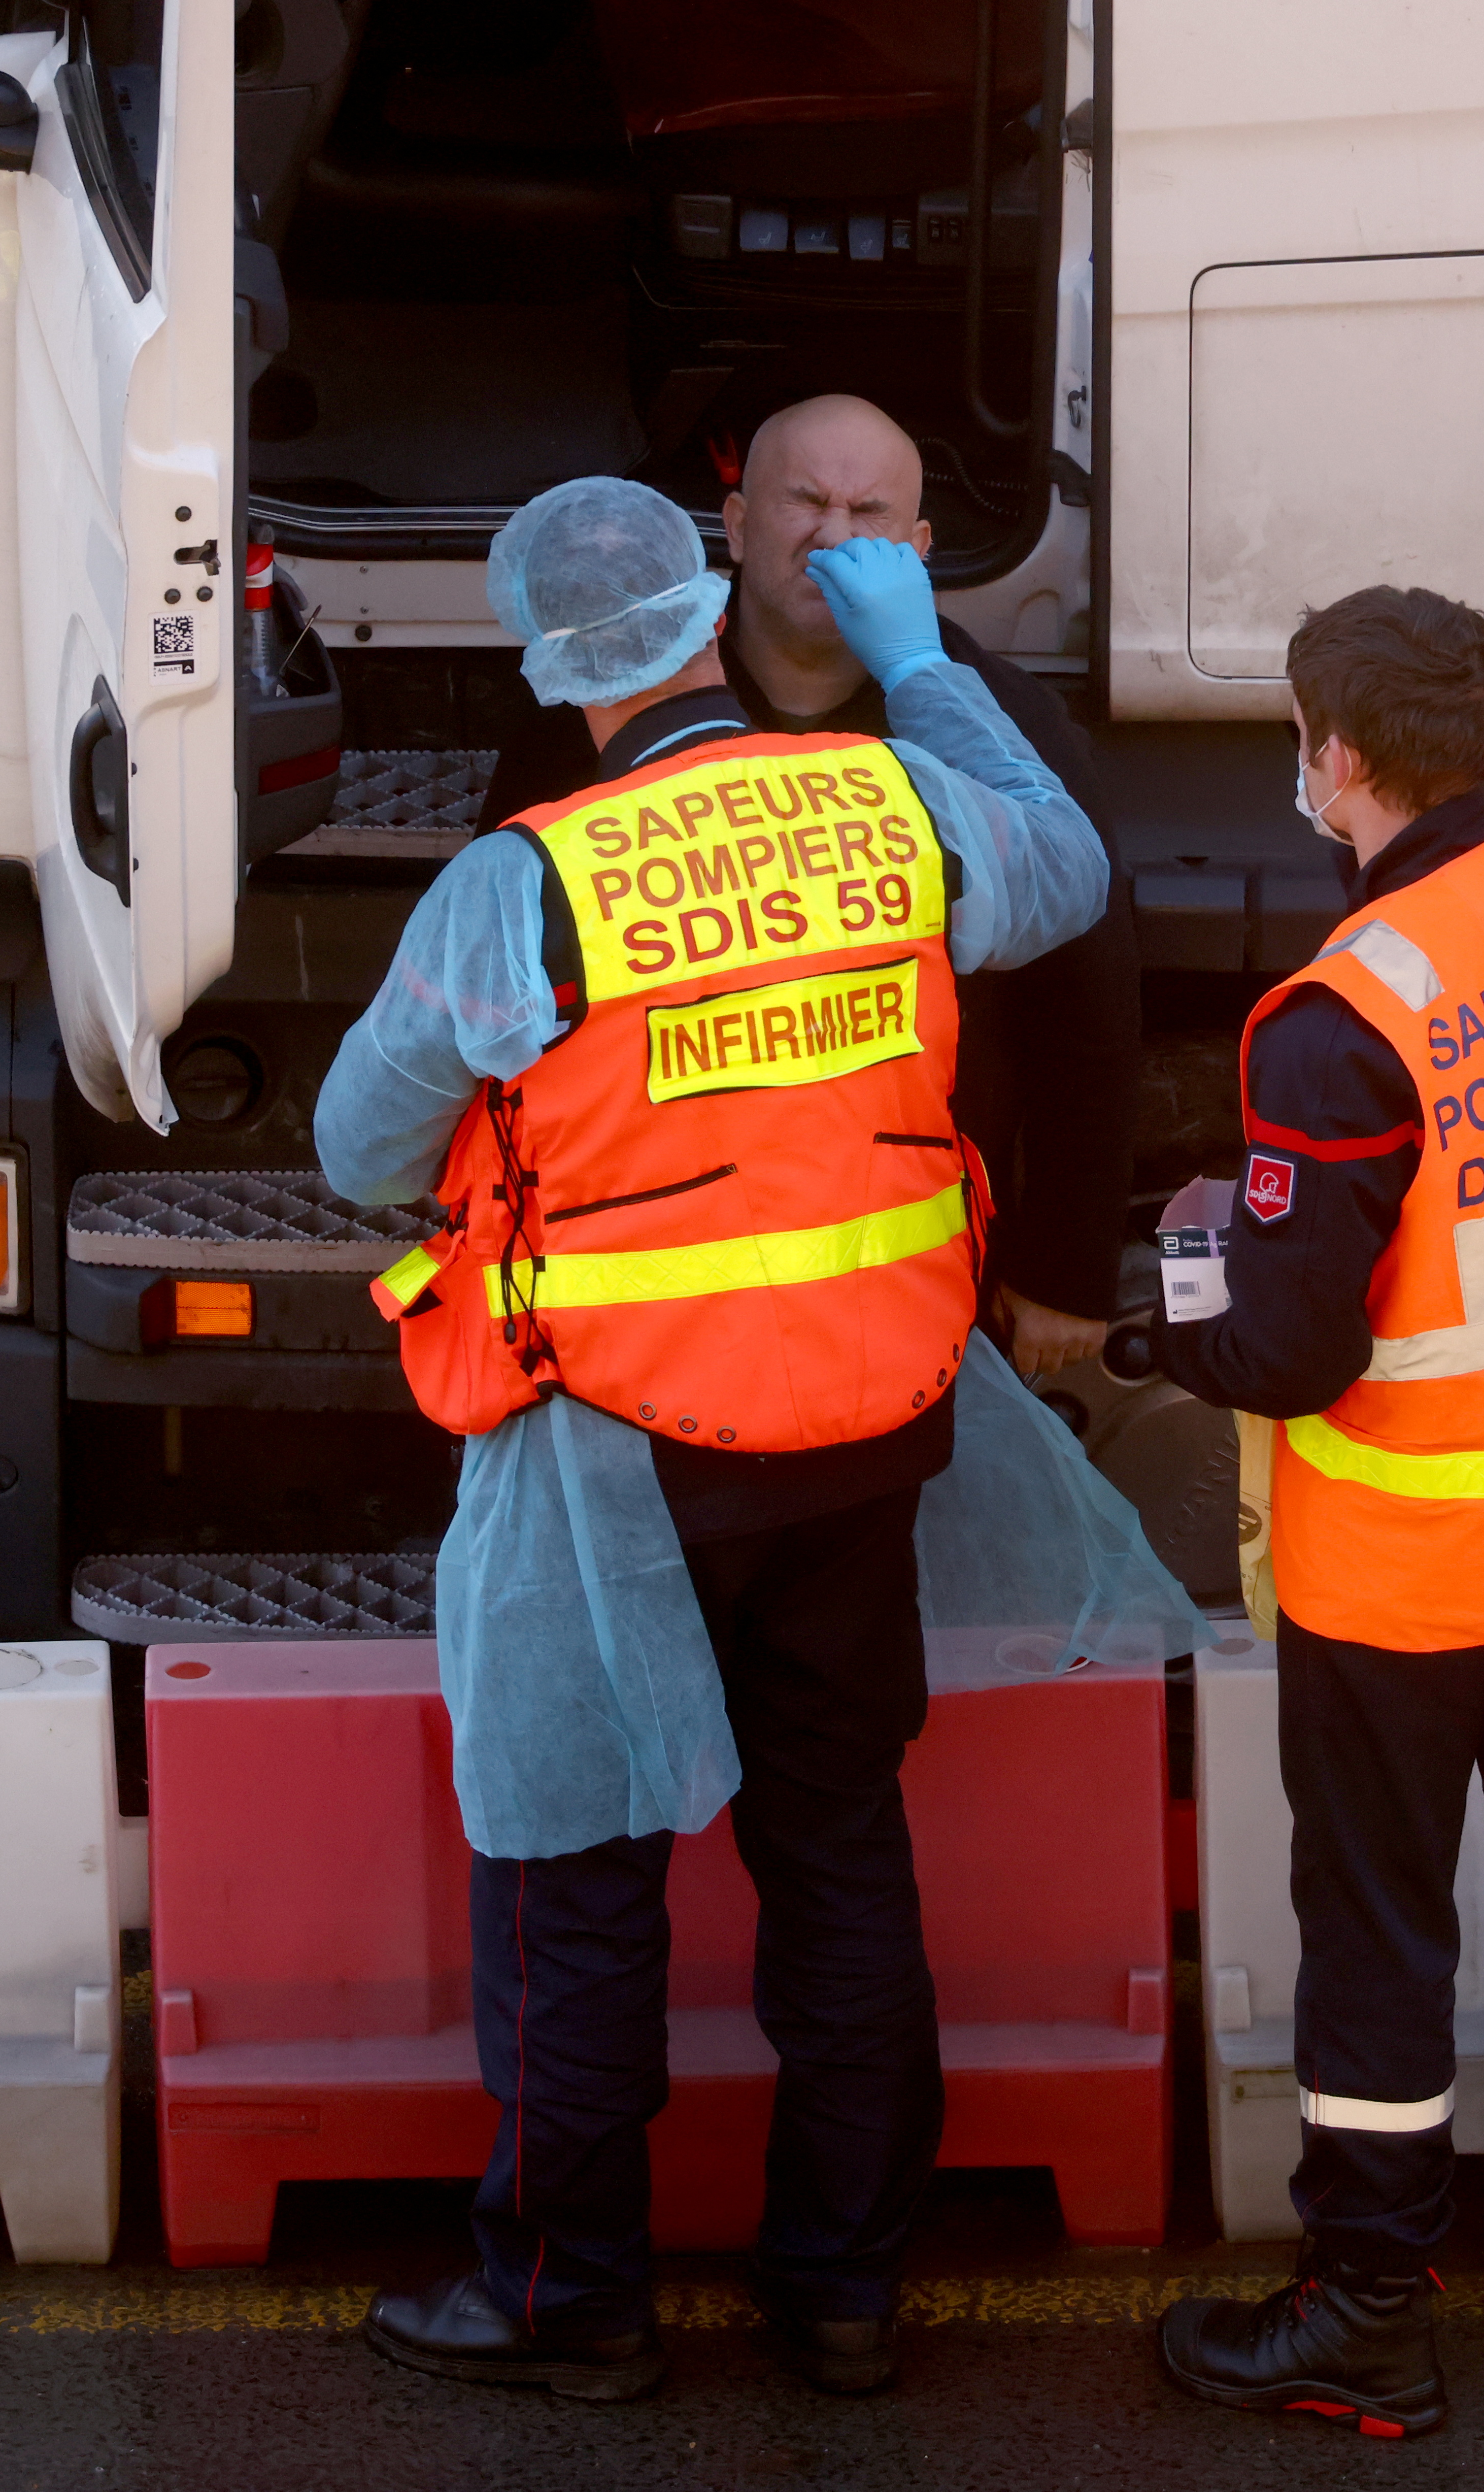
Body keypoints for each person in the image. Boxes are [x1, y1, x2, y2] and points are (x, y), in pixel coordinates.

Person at [315, 476, 1110, 2406]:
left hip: (620, 1450)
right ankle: (841, 2291)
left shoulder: (525, 882)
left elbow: (359, 1151)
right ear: (709, 614)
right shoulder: (893, 800)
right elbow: (1067, 871)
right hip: (869, 1418)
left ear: (553, 664)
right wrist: (923, 667)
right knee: (836, 1849)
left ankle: (566, 2299)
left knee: (577, 1869)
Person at [1150, 586, 1484, 2440]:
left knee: (1383, 1937)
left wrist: (1167, 1328)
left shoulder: (1336, 1020)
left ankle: (1371, 2309)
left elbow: (1291, 1357)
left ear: (1341, 760)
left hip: (1404, 1570)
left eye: (1302, 740)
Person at [719, 392, 1142, 1379]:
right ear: (737, 526)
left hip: (909, 1268)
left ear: (914, 547)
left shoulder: (1003, 728)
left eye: (868, 516)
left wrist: (1066, 1265)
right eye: (805, 502)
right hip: (692, 1257)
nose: (834, 534)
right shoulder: (639, 700)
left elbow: (1090, 1009)